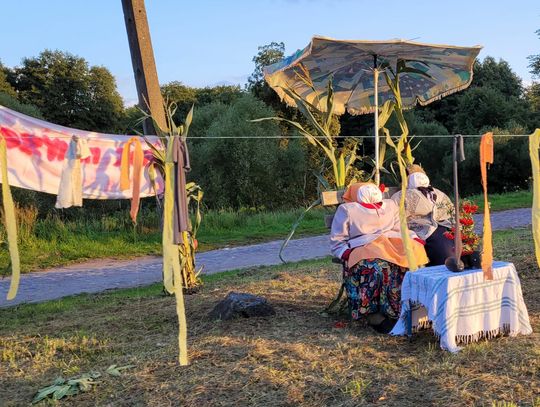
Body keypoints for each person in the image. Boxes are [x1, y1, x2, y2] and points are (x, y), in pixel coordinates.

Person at [330, 182, 428, 333]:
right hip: (363, 245)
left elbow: (399, 228)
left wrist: (413, 237)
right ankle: (374, 315)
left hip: (391, 242)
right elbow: (338, 239)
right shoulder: (348, 210)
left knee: (412, 256)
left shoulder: (390, 206)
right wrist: (345, 252)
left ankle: (406, 310)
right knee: (376, 268)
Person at [391, 165, 454, 266]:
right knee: (444, 248)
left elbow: (450, 210)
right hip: (420, 229)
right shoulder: (402, 195)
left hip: (443, 226)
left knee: (452, 241)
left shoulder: (437, 192)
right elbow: (395, 216)